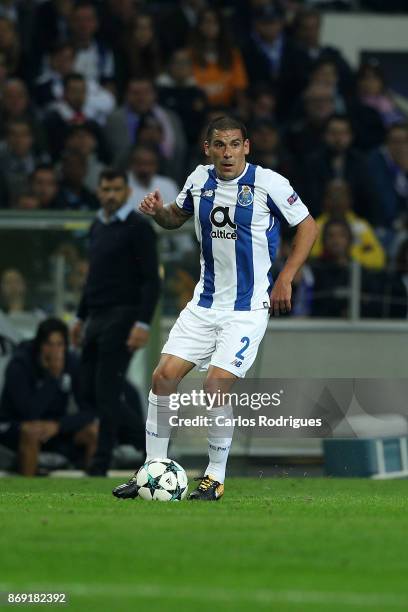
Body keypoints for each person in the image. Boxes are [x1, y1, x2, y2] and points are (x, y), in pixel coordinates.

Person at [113, 115, 318, 501]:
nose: (227, 153)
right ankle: (152, 469)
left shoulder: (268, 183)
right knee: (163, 377)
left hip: (246, 309)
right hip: (203, 304)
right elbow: (176, 217)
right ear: (207, 148)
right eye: (219, 145)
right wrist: (158, 211)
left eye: (235, 144)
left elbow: (307, 226)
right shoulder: (197, 180)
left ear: (247, 147)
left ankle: (215, 477)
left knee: (215, 386)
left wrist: (286, 277)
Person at [71, 169, 160, 475]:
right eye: (106, 189)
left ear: (126, 192)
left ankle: (100, 462)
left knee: (106, 389)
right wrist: (79, 317)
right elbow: (91, 278)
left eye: (116, 189)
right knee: (86, 387)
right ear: (98, 191)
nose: (110, 195)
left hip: (124, 314)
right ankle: (148, 444)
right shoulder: (98, 226)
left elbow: (152, 280)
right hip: (96, 314)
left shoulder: (138, 228)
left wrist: (143, 323)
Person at [0, 318, 98, 475]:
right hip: (16, 427)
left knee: (93, 432)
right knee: (31, 432)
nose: (54, 351)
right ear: (39, 345)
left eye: (59, 345)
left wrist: (59, 425)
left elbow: (89, 411)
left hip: (54, 428)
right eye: (49, 344)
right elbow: (28, 413)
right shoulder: (20, 365)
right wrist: (53, 378)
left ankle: (91, 492)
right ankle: (26, 495)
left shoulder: (71, 362)